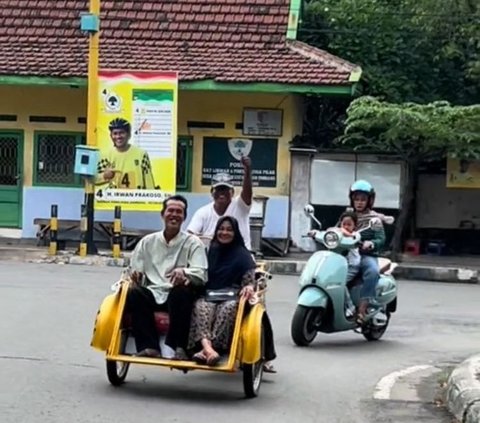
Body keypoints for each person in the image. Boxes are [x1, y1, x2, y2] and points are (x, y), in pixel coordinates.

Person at [125, 194, 208, 359]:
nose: (174, 215)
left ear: (184, 217)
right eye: (171, 210)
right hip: (154, 291)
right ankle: (149, 346)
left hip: (178, 295)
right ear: (162, 214)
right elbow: (135, 269)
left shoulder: (193, 242)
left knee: (181, 292)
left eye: (179, 212)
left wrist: (185, 272)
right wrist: (136, 276)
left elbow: (201, 273)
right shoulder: (147, 242)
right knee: (135, 293)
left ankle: (179, 347)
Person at [188, 216, 277, 366]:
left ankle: (213, 348)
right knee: (201, 307)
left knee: (228, 309)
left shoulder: (243, 255)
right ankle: (207, 349)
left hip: (232, 295)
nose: (224, 232)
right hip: (208, 294)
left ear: (235, 233)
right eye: (221, 229)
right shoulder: (208, 251)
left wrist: (249, 286)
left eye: (229, 230)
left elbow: (249, 280)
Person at [187, 156, 253, 250]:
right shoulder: (203, 212)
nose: (222, 193)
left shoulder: (240, 206)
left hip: (240, 256)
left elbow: (247, 191)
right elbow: (190, 235)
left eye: (225, 189)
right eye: (218, 189)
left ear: (233, 193)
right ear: (211, 192)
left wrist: (247, 171)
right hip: (213, 258)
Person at [347, 180, 386, 324]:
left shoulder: (374, 219)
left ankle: (362, 309)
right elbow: (338, 229)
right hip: (347, 253)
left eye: (363, 199)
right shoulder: (348, 215)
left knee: (372, 271)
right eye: (356, 199)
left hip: (365, 255)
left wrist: (371, 244)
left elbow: (381, 239)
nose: (359, 202)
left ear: (370, 200)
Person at [96, 118, 158, 190]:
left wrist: (152, 199)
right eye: (115, 133)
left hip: (136, 199)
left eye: (122, 133)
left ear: (129, 135)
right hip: (113, 200)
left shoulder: (141, 154)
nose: (118, 137)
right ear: (111, 136)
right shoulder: (105, 155)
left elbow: (149, 182)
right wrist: (104, 176)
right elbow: (94, 180)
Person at [338, 211, 361, 318]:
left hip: (352, 266)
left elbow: (350, 236)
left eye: (349, 224)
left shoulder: (356, 235)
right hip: (340, 265)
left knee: (339, 283)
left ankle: (350, 307)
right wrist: (315, 233)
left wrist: (341, 230)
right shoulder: (337, 234)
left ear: (354, 226)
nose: (346, 227)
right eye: (344, 224)